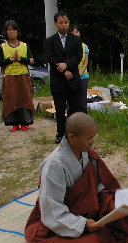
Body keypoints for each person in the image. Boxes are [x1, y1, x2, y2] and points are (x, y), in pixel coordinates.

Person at [25, 112, 128, 243]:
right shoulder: (54, 165)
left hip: (89, 205)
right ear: (72, 137)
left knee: (127, 215)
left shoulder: (86, 153)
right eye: (88, 138)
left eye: (93, 137)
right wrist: (83, 224)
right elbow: (51, 209)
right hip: (65, 218)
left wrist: (117, 203)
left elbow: (99, 185)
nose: (92, 143)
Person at [44, 11, 84, 144]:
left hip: (73, 78)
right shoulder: (50, 41)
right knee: (60, 109)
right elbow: (50, 58)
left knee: (74, 108)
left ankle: (74, 133)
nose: (63, 25)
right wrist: (62, 69)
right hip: (58, 80)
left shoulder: (76, 40)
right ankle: (61, 133)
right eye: (60, 23)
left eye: (66, 22)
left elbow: (78, 56)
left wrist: (66, 65)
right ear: (55, 24)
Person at [0, 20, 35, 132]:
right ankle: (14, 123)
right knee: (12, 99)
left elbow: (32, 60)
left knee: (24, 99)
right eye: (9, 30)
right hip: (9, 77)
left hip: (23, 76)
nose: (12, 32)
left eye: (14, 29)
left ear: (17, 31)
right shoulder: (3, 46)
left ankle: (25, 122)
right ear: (6, 32)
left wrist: (20, 59)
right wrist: (10, 60)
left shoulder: (24, 45)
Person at [70, 24, 90, 111]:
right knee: (72, 99)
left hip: (83, 76)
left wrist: (80, 74)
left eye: (77, 32)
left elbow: (86, 62)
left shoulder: (84, 46)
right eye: (73, 32)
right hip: (71, 76)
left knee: (82, 100)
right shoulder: (68, 46)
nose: (75, 34)